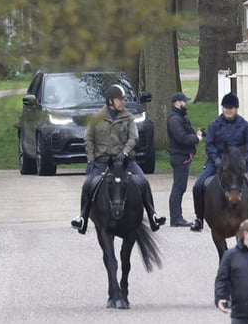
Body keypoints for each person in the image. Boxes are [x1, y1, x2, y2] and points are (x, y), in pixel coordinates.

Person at [70, 84, 166, 234]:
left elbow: (134, 137)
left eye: (123, 99)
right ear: (110, 102)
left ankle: (153, 214)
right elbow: (88, 138)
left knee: (143, 181)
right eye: (119, 99)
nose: (123, 102)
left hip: (125, 162)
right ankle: (82, 218)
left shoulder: (128, 117)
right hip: (102, 161)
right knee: (87, 184)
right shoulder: (96, 118)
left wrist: (125, 153)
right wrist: (90, 159)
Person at [191, 92, 248, 232]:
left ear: (236, 109)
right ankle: (199, 219)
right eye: (226, 108)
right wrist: (216, 160)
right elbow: (209, 145)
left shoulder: (245, 126)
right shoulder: (214, 125)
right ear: (222, 108)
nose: (228, 111)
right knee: (197, 186)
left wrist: (243, 161)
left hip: (240, 163)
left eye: (231, 108)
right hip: (217, 162)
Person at [166, 92, 202, 227]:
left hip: (182, 156)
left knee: (180, 186)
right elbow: (181, 137)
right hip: (179, 156)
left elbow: (185, 132)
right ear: (177, 103)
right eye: (184, 102)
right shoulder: (174, 119)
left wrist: (196, 134)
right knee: (178, 187)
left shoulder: (179, 117)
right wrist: (196, 139)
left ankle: (177, 216)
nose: (186, 104)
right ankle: (176, 218)